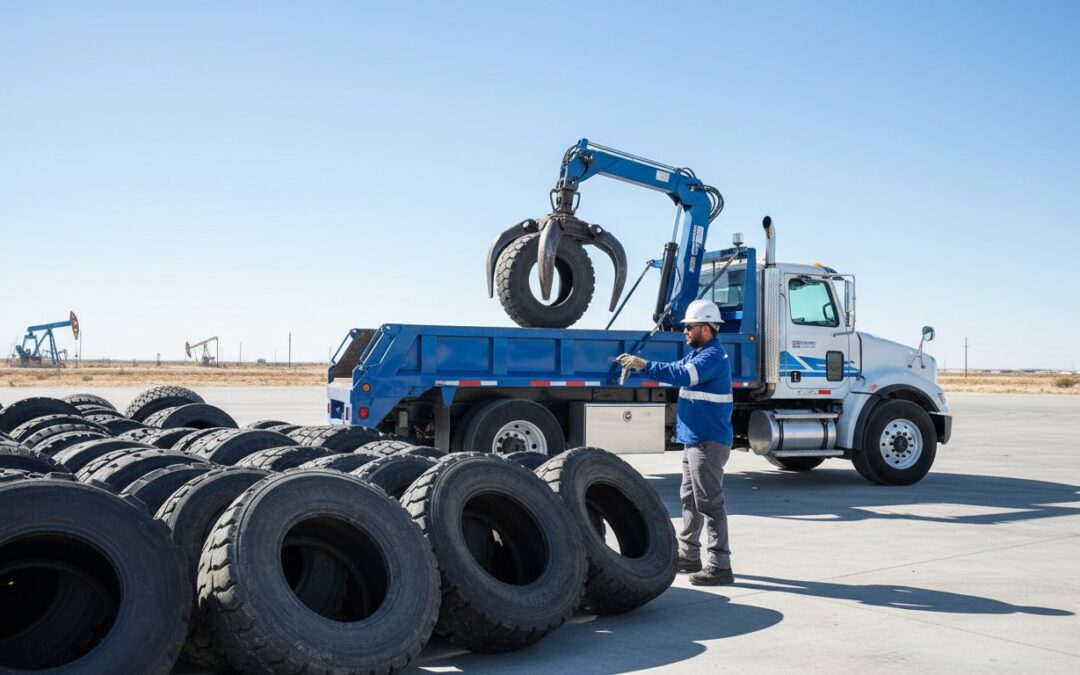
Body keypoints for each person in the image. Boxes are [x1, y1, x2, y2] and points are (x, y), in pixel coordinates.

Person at [616, 299, 734, 585]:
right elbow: (673, 367)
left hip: (708, 442)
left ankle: (720, 565)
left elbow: (682, 375)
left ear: (705, 329)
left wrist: (643, 364)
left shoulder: (711, 357)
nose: (684, 332)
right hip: (695, 440)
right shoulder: (698, 354)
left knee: (709, 502)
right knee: (690, 499)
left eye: (689, 327)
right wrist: (645, 367)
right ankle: (690, 555)